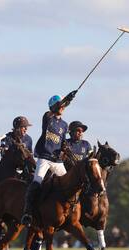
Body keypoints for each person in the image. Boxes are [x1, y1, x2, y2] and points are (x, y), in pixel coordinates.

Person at [21, 90, 77, 227]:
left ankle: (70, 211)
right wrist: (66, 100)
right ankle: (27, 213)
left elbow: (63, 142)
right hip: (44, 157)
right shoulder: (48, 117)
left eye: (64, 106)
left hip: (57, 160)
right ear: (53, 106)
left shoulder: (64, 125)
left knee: (70, 183)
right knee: (37, 182)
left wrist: (65, 149)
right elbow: (52, 112)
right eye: (60, 105)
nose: (63, 108)